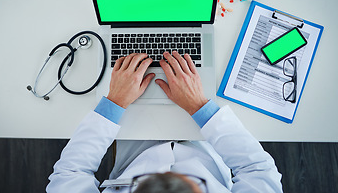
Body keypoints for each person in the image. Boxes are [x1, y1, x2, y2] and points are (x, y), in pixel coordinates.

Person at [46, 52, 283, 193]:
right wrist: (200, 106)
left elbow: (71, 173)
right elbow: (258, 169)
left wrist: (115, 102)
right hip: (207, 143)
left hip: (135, 147)